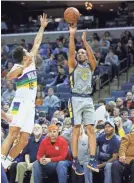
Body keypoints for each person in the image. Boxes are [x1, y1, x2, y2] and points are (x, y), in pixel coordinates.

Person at [1, 13, 49, 170]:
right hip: (19, 103)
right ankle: (1, 160)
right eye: (25, 51)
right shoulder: (17, 67)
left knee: (24, 140)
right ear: (23, 56)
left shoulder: (32, 60)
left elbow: (37, 42)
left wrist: (42, 27)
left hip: (30, 105)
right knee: (13, 132)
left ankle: (7, 162)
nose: (29, 51)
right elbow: (9, 76)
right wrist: (23, 67)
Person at [68, 25, 98, 174]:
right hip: (75, 99)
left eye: (83, 53)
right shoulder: (73, 65)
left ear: (86, 56)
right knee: (76, 129)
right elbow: (71, 52)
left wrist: (85, 42)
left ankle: (92, 158)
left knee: (91, 129)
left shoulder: (91, 66)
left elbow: (93, 58)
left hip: (88, 99)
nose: (80, 54)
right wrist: (72, 36)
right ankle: (75, 160)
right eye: (79, 53)